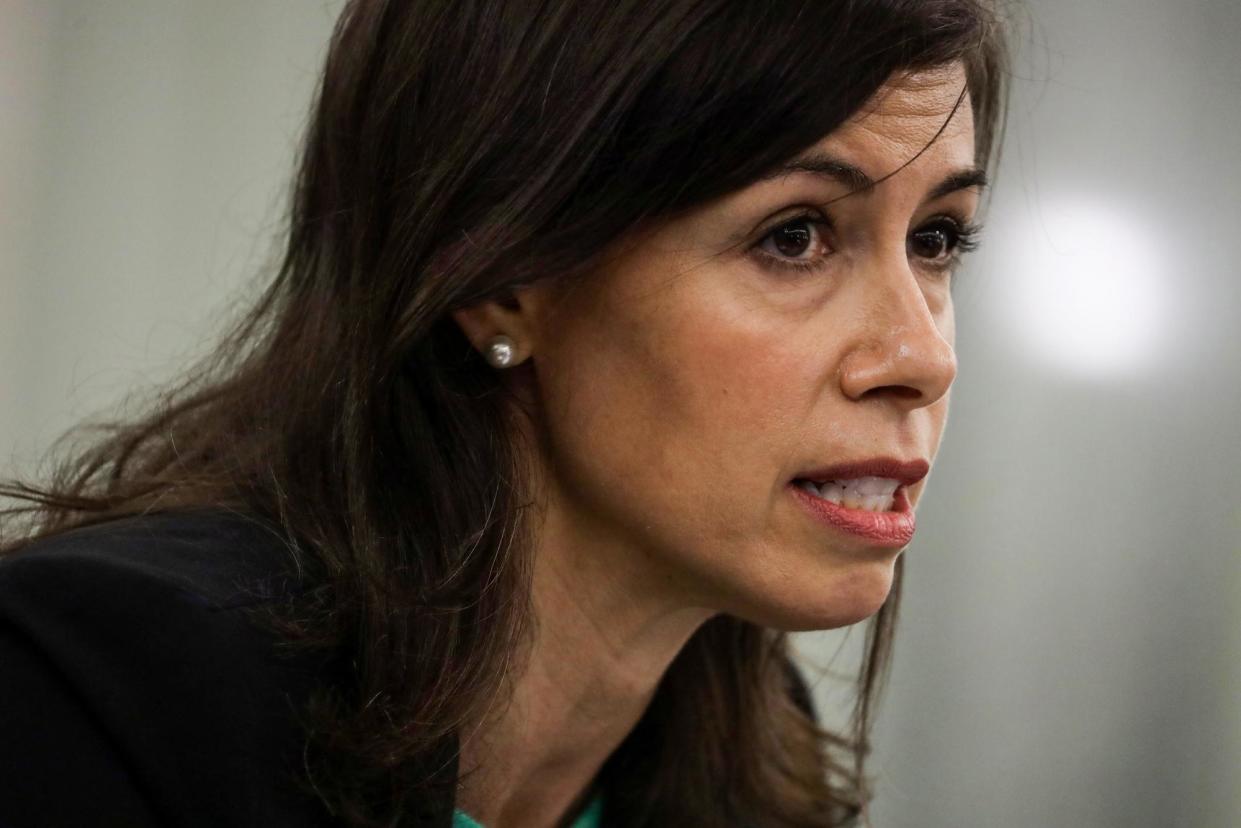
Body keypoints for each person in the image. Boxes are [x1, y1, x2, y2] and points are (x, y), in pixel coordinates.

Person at [0, 1, 1008, 826]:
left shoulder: (746, 768)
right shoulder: (97, 692)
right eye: (793, 237)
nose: (920, 357)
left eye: (936, 240)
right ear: (505, 282)